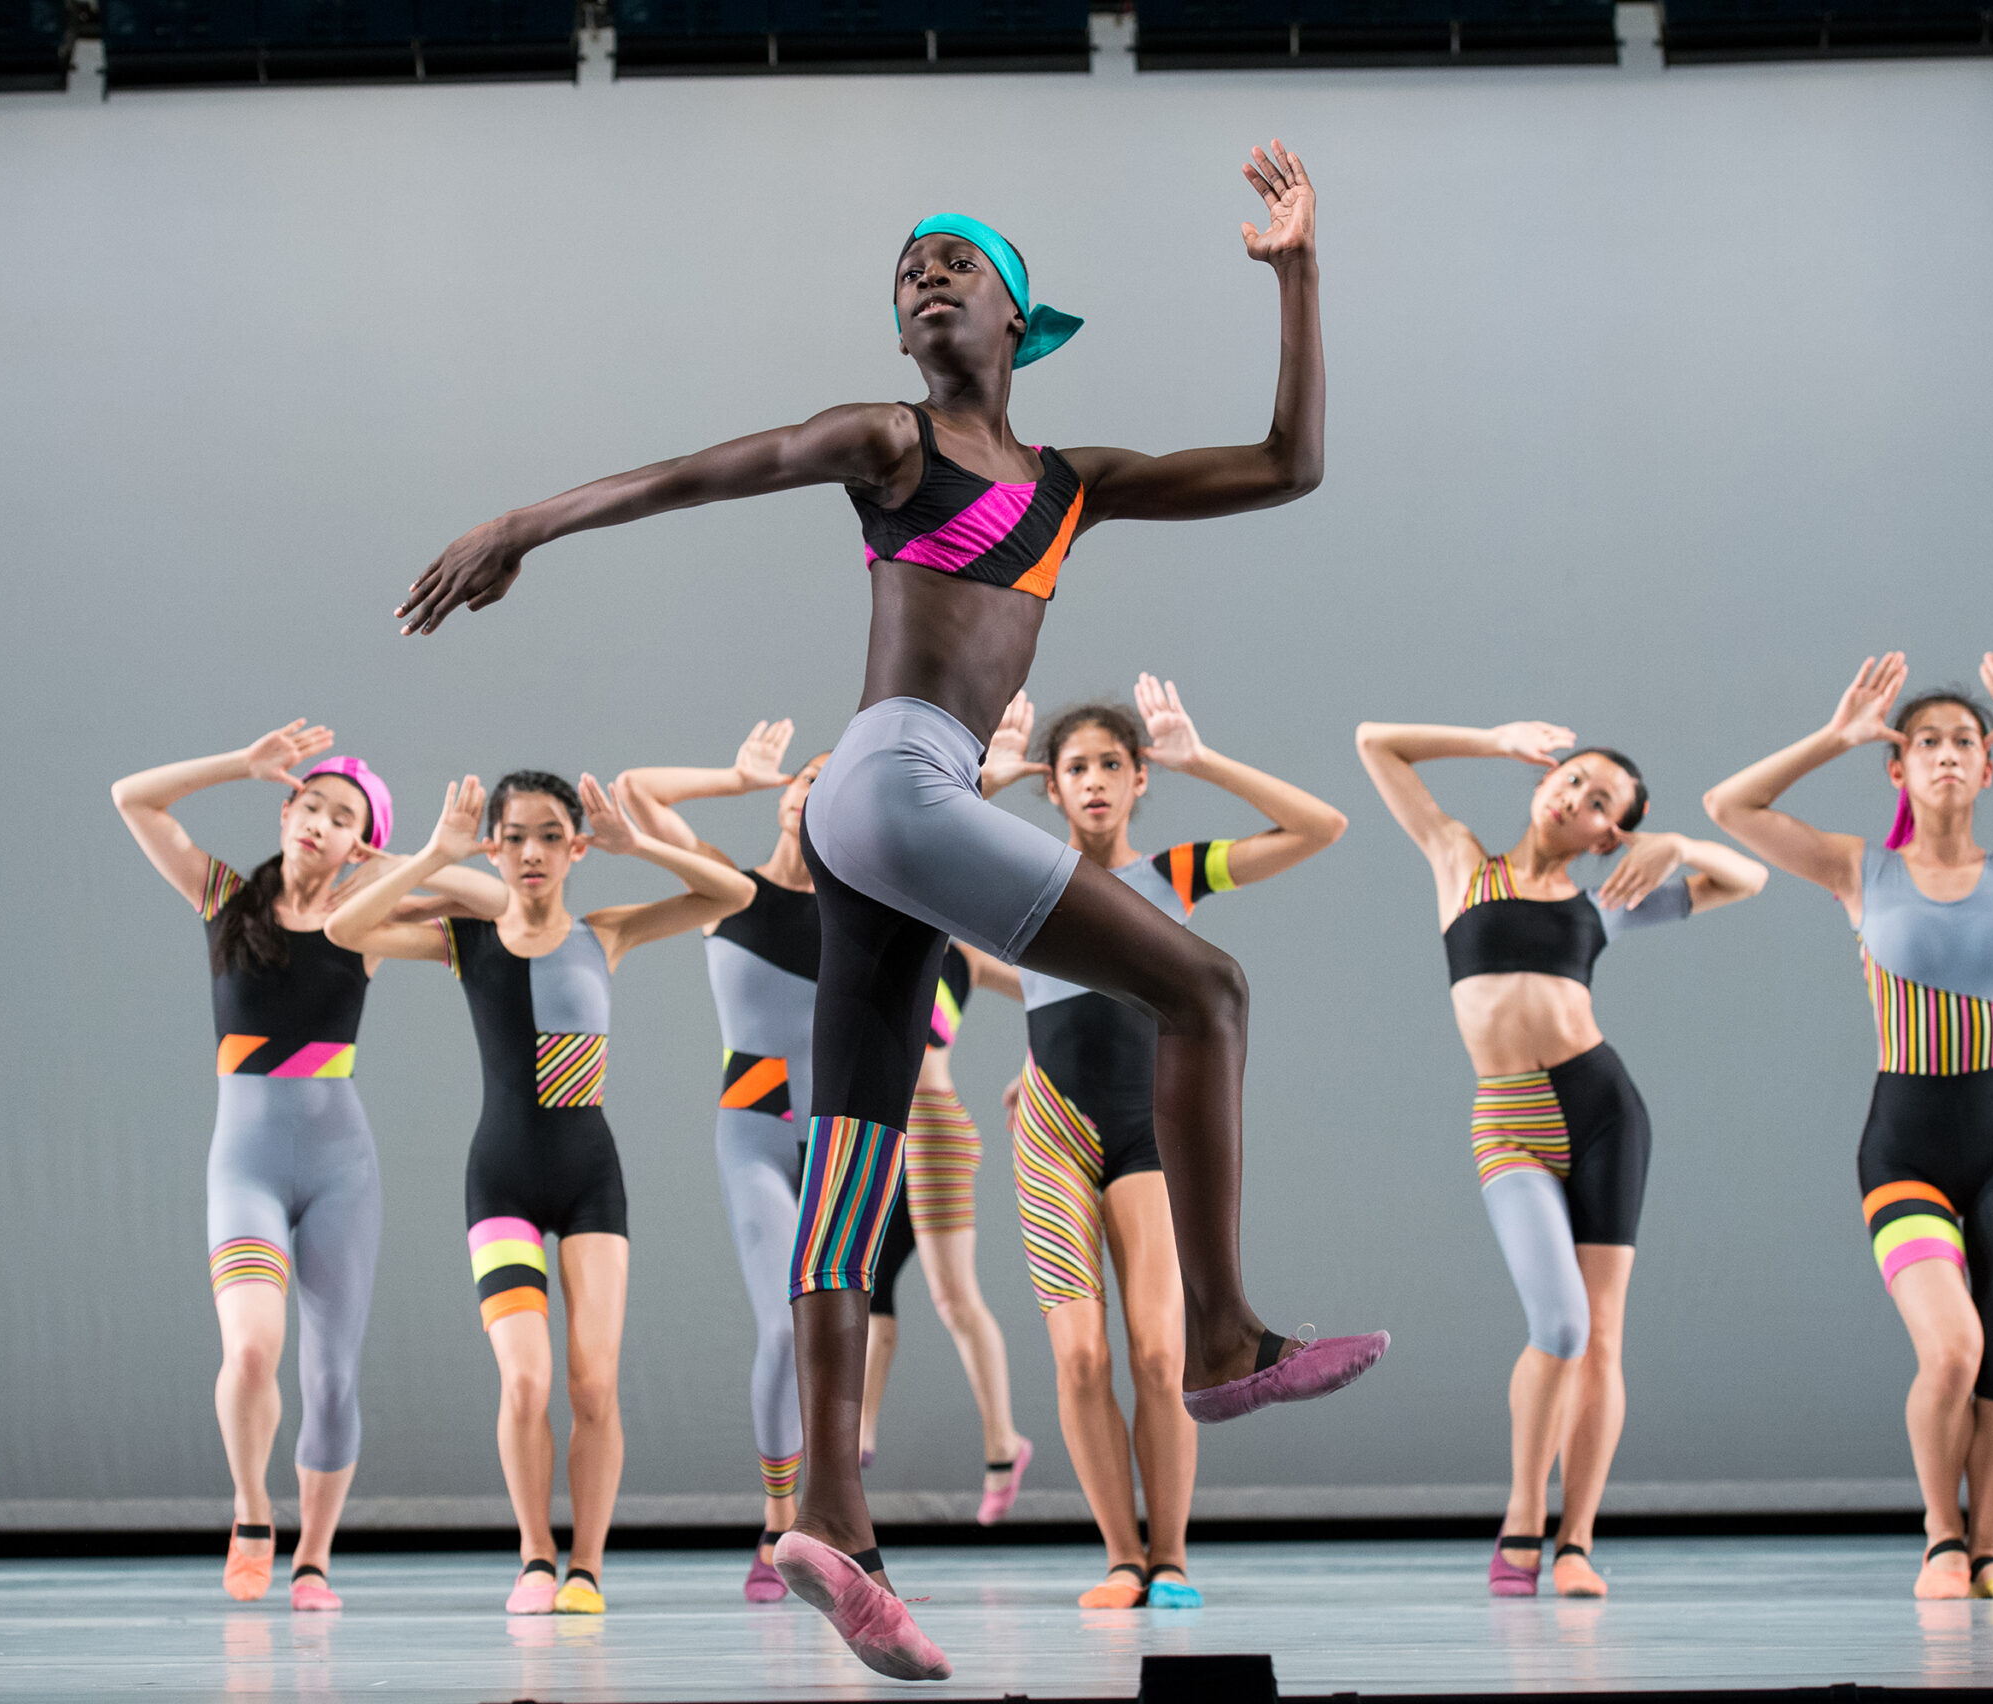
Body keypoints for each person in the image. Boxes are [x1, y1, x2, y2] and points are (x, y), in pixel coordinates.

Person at [394, 141, 1384, 1680]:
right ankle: (1221, 1337)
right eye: (907, 272)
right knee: (1211, 993)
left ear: (1019, 321)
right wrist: (528, 521)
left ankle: (837, 1524)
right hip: (897, 786)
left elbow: (1289, 466)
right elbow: (702, 471)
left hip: (885, 830)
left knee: (846, 1161)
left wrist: (1301, 275)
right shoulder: (891, 438)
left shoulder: (1073, 489)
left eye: (955, 265)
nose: (925, 278)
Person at [1704, 653, 1993, 1601]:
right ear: (1899, 768)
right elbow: (1730, 807)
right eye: (1927, 743)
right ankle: (1941, 1537)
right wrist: (1832, 736)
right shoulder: (1857, 868)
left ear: (1989, 767)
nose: (1948, 755)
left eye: (1967, 742)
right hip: (1905, 1144)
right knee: (1951, 1349)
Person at [617, 722, 1032, 1603]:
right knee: (782, 1327)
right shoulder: (727, 889)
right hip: (757, 1133)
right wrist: (732, 774)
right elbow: (636, 792)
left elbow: (998, 938)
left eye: (831, 784)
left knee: (850, 1326)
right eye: (804, 780)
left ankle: (829, 1512)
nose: (811, 793)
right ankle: (778, 1522)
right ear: (785, 796)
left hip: (845, 1143)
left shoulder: (869, 911)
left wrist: (978, 781)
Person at [1355, 718, 1766, 1596]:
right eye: (1573, 778)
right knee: (1562, 1327)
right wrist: (1494, 741)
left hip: (1604, 1113)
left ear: (1609, 833)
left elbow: (1750, 879)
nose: (1574, 795)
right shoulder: (1459, 859)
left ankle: (1576, 1542)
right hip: (1508, 1119)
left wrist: (1680, 844)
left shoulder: (1607, 898)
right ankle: (1522, 1513)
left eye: (1599, 800)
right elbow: (1375, 745)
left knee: (1604, 1336)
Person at [327, 770, 753, 1615]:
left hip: (592, 1177)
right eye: (513, 836)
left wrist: (641, 843)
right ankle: (533, 1557)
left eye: (550, 835)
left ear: (576, 848)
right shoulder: (465, 940)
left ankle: (587, 1567)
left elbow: (732, 893)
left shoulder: (608, 932)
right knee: (524, 1382)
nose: (530, 852)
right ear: (493, 846)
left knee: (593, 1385)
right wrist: (437, 857)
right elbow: (345, 928)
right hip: (502, 1180)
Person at [113, 722, 489, 1609]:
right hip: (242, 1163)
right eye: (308, 803)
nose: (318, 822)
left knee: (329, 1378)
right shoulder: (225, 898)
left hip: (338, 1171)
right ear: (285, 811)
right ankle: (252, 1513)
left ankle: (314, 1556)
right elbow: (133, 797)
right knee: (250, 1353)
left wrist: (421, 857)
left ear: (363, 839)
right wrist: (238, 764)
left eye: (342, 816)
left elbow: (495, 905)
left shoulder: (368, 916)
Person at [994, 678, 1347, 1610]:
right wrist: (978, 789)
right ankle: (1120, 1555)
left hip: (1147, 1129)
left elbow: (1320, 827)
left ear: (1140, 777)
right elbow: (914, 871)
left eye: (1114, 764)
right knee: (1079, 1359)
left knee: (1161, 1355)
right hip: (1052, 1133)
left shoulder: (1174, 876)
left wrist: (1206, 758)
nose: (1096, 781)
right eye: (1077, 768)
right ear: (1053, 786)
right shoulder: (1021, 875)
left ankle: (1173, 1559)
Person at [854, 932, 1029, 1529]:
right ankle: (860, 1438)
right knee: (867, 1284)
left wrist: (1035, 1071)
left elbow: (1057, 989)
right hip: (877, 1133)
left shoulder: (963, 955)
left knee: (954, 1300)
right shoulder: (863, 934)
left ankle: (1003, 1444)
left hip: (930, 1129)